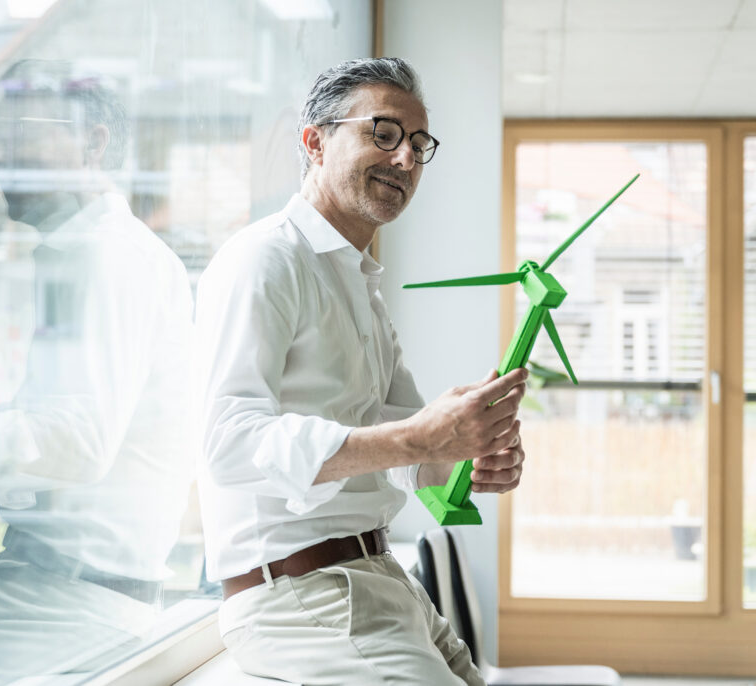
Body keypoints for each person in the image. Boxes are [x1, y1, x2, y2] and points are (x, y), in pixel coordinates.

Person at [196, 57, 528, 685]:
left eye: (419, 143)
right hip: (300, 598)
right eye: (383, 132)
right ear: (314, 141)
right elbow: (228, 446)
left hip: (381, 581)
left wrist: (470, 454)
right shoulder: (262, 261)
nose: (406, 159)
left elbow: (414, 456)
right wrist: (422, 437)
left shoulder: (360, 289)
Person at [0, 60, 195, 684]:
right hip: (81, 596)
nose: (1, 155)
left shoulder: (104, 257)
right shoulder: (103, 254)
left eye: (23, 132)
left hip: (59, 602)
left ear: (94, 143)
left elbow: (74, 442)